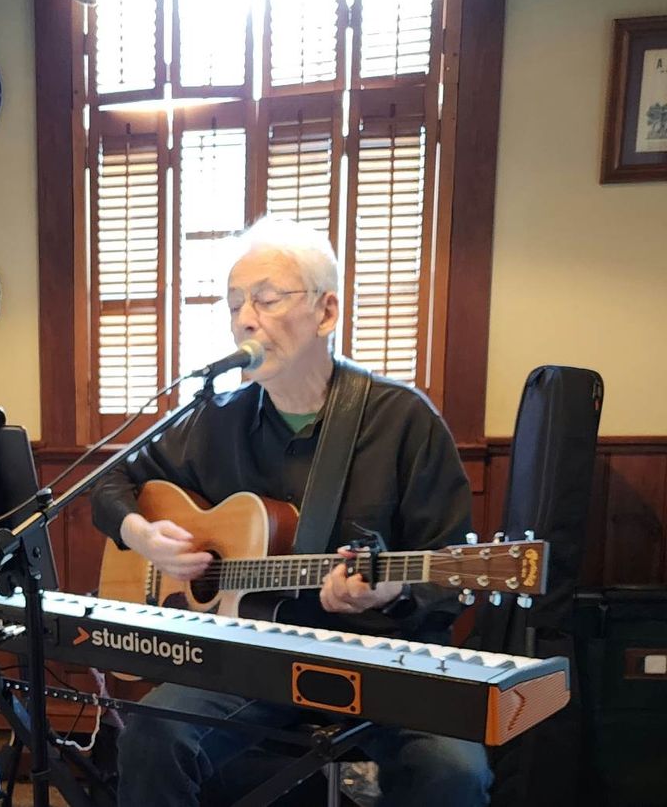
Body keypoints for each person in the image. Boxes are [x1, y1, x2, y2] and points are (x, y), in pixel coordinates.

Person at [91, 217, 492, 807]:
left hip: (383, 663)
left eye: (266, 299)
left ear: (326, 313)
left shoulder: (403, 420)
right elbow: (109, 480)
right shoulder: (215, 418)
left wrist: (391, 592)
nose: (244, 320)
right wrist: (142, 534)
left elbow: (451, 566)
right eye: (234, 305)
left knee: (452, 771)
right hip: (255, 662)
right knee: (152, 734)